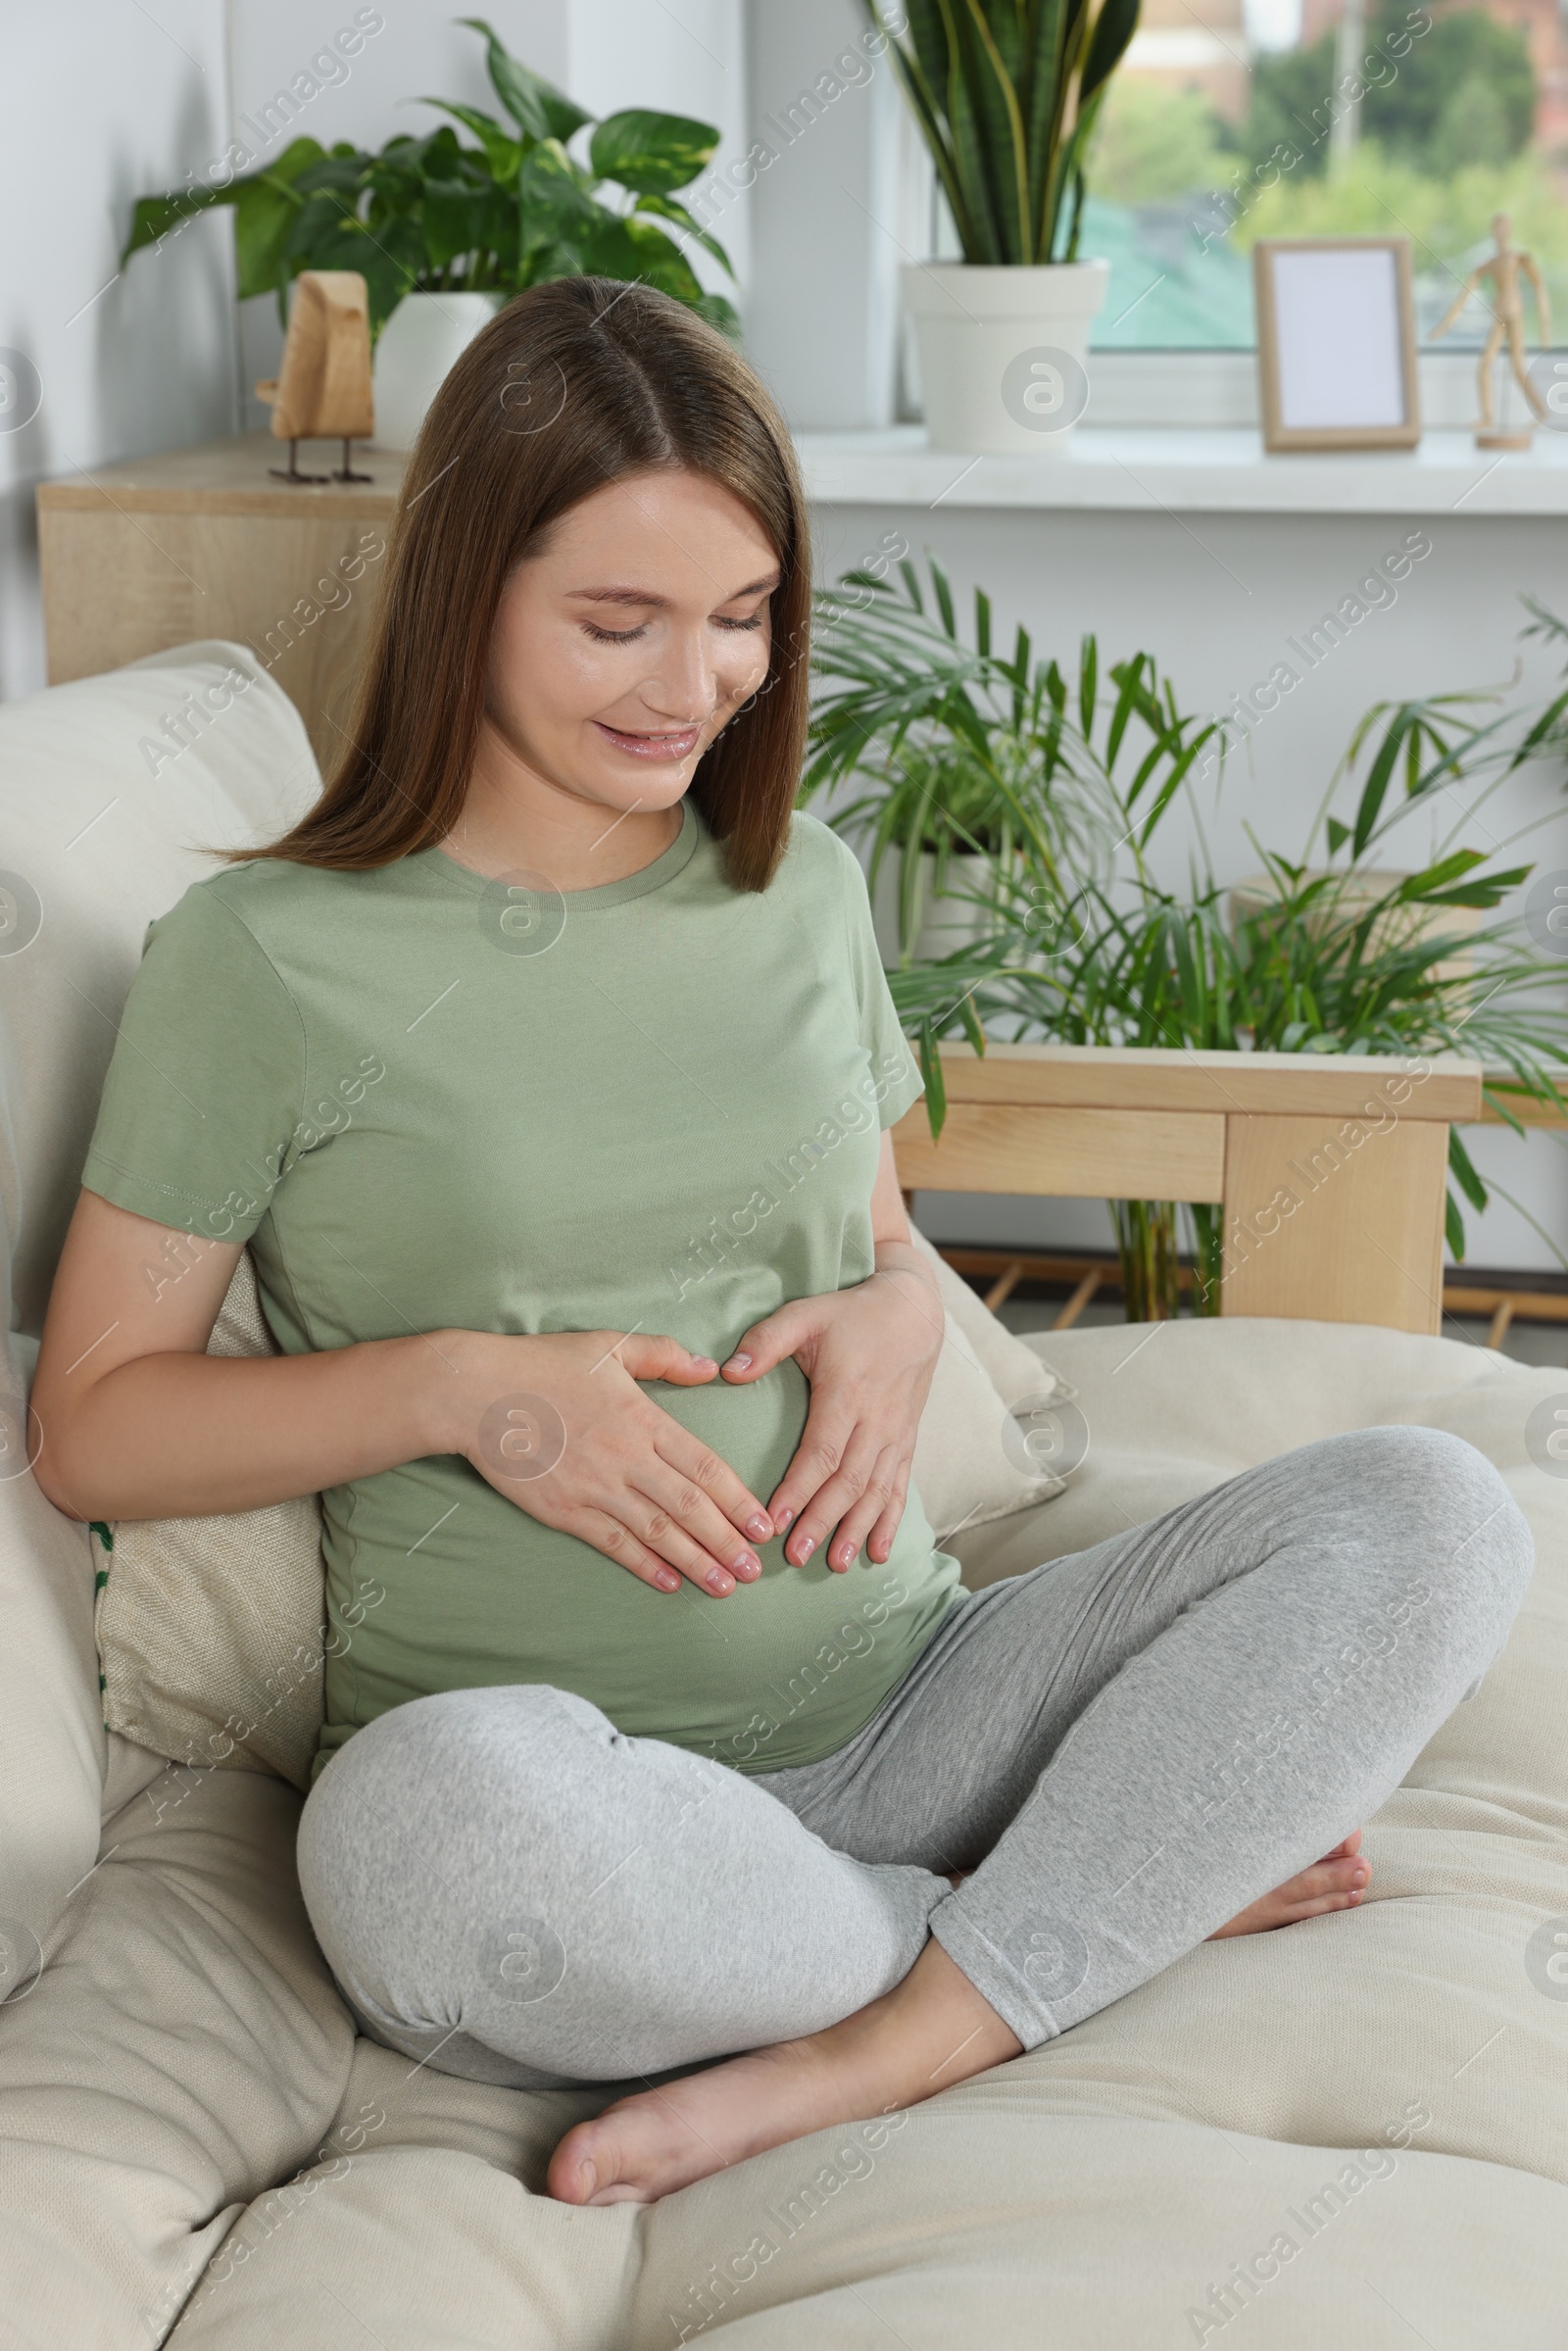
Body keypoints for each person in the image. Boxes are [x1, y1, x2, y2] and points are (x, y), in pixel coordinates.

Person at [32, 279, 1533, 2210]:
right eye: (615, 621)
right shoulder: (263, 964)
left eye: (741, 616)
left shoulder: (797, 887)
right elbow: (94, 1425)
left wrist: (906, 1317)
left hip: (922, 1698)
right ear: (461, 592)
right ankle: (1044, 1916)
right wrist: (467, 1395)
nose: (697, 683)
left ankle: (889, 2028)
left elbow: (878, 1249)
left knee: (1427, 1508)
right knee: (416, 1846)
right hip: (568, 1784)